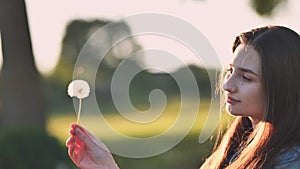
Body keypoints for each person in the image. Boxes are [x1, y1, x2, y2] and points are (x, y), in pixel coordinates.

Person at [66, 25, 300, 169]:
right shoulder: (238, 146)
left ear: (282, 85)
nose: (228, 85)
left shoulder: (290, 160)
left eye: (246, 78)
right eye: (230, 71)